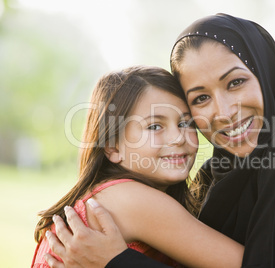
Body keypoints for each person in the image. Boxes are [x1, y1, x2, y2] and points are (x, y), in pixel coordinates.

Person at [44, 14, 275, 268]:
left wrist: (118, 263)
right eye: (200, 98)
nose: (225, 111)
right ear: (112, 145)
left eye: (235, 82)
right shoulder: (216, 175)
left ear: (265, 72)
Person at [32, 65, 246, 268]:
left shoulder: (106, 194)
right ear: (112, 148)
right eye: (154, 126)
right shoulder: (134, 200)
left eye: (185, 123)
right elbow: (253, 263)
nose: (178, 137)